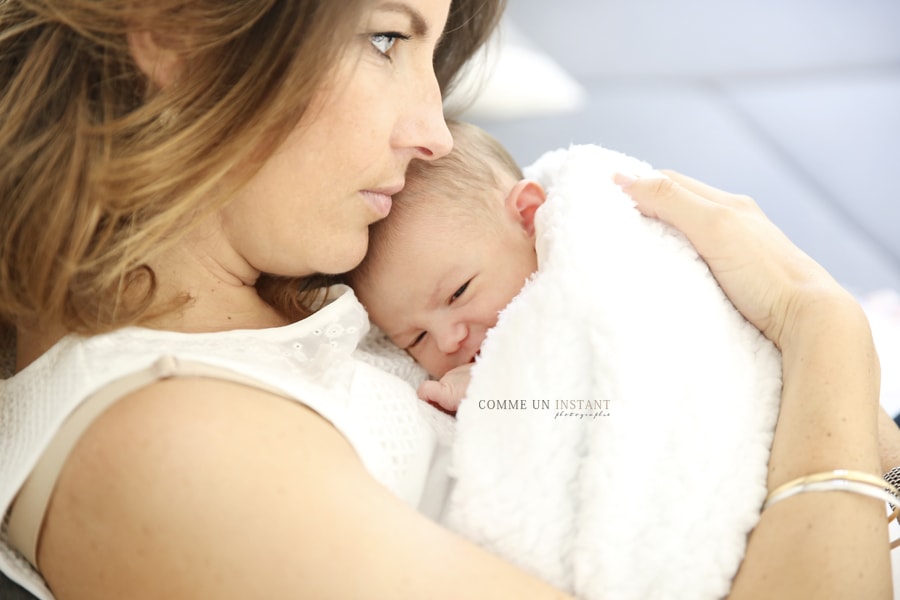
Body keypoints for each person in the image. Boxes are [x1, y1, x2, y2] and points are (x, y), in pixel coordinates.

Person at [0, 3, 894, 600]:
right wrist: (820, 326)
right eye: (388, 38)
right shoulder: (175, 457)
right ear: (178, 27)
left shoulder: (289, 274)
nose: (431, 129)